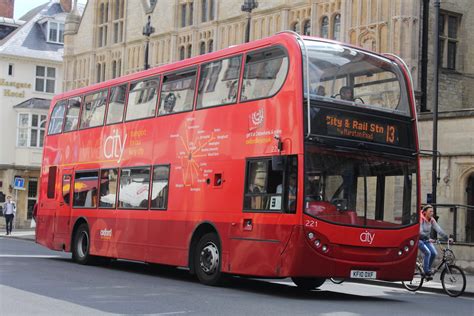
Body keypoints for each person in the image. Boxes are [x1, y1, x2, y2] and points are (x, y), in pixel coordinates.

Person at [419, 204, 452, 278]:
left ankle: (427, 269)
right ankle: (426, 271)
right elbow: (420, 232)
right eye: (430, 211)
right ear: (425, 212)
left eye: (432, 211)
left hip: (427, 240)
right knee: (428, 252)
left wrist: (447, 238)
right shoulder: (421, 218)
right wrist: (428, 238)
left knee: (434, 253)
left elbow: (439, 230)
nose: (432, 213)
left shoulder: (432, 220)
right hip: (419, 240)